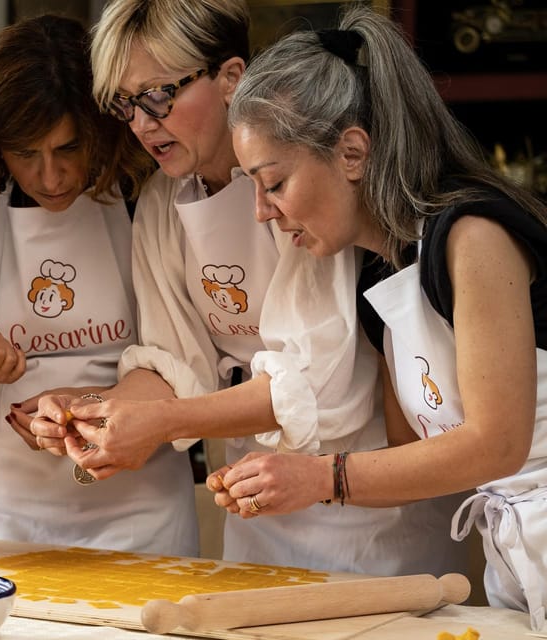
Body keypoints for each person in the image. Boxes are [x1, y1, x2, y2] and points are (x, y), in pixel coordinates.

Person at [32, 0, 466, 576]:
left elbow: (318, 385)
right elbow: (171, 364)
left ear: (231, 77)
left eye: (158, 95)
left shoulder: (307, 187)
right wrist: (93, 412)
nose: (140, 122)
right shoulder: (163, 203)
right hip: (254, 499)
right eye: (124, 104)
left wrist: (161, 424)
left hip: (367, 509)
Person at [220, 5, 547, 628]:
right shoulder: (380, 272)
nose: (262, 212)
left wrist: (319, 477)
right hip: (515, 556)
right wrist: (274, 483)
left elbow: (498, 444)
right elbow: (412, 455)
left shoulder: (471, 234)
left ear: (351, 152)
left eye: (274, 183)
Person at [0, 14, 199, 555]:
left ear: (101, 126)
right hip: (4, 511)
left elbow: (193, 362)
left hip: (143, 506)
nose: (49, 178)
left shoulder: (149, 197)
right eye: (25, 153)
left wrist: (91, 404)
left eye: (68, 149)